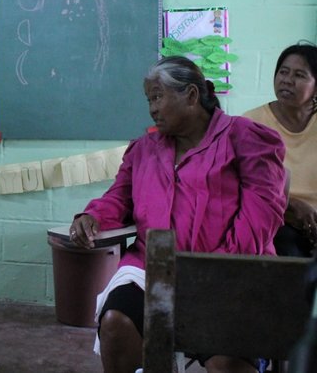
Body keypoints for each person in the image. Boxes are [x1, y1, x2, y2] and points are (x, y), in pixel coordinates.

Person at [70, 56, 287, 373]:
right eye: (149, 100)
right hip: (151, 270)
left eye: (157, 97)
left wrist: (207, 272)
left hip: (227, 273)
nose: (152, 108)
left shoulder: (244, 137)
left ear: (191, 95)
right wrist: (93, 216)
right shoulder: (144, 149)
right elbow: (118, 197)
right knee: (117, 323)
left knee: (226, 363)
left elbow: (261, 215)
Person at [244, 42, 317, 257]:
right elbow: (241, 185)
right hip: (276, 221)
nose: (287, 80)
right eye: (283, 72)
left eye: (299, 75)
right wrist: (290, 204)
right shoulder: (251, 124)